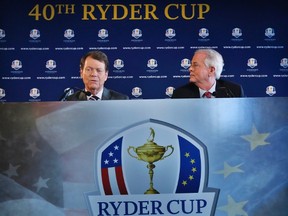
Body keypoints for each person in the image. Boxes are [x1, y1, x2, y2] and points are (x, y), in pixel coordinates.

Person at [172, 49, 245, 98]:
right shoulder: (180, 94)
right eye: (191, 65)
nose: (190, 69)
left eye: (195, 65)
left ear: (211, 70)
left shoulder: (233, 91)